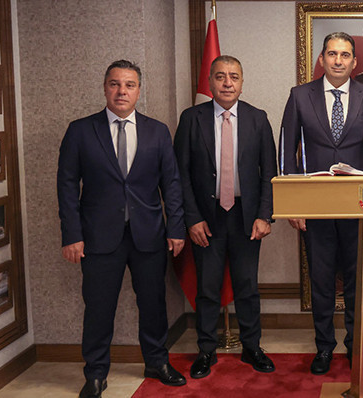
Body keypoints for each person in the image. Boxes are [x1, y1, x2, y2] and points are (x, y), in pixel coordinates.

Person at [57, 60, 187, 398]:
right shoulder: (81, 131)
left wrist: (176, 228)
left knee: (153, 304)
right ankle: (96, 373)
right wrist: (72, 235)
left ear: (138, 91)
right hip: (98, 238)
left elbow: (171, 184)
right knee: (99, 308)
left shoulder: (157, 131)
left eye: (129, 85)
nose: (121, 91)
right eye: (115, 84)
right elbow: (67, 187)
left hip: (149, 234)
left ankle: (157, 362)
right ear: (105, 88)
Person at [280, 32, 363, 375]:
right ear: (322, 59)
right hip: (316, 206)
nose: (338, 60)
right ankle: (324, 347)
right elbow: (287, 151)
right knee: (322, 280)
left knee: (358, 280)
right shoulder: (300, 96)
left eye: (345, 55)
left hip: (360, 206)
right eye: (332, 54)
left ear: (354, 62)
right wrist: (293, 204)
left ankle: (356, 345)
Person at [174, 55, 277, 378]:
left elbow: (269, 172)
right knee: (207, 287)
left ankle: (252, 347)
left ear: (242, 82)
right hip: (207, 218)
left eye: (234, 76)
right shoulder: (191, 119)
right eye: (220, 76)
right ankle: (206, 350)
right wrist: (192, 218)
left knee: (247, 285)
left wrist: (265, 215)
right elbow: (181, 174)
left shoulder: (258, 118)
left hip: (247, 217)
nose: (227, 83)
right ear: (210, 82)